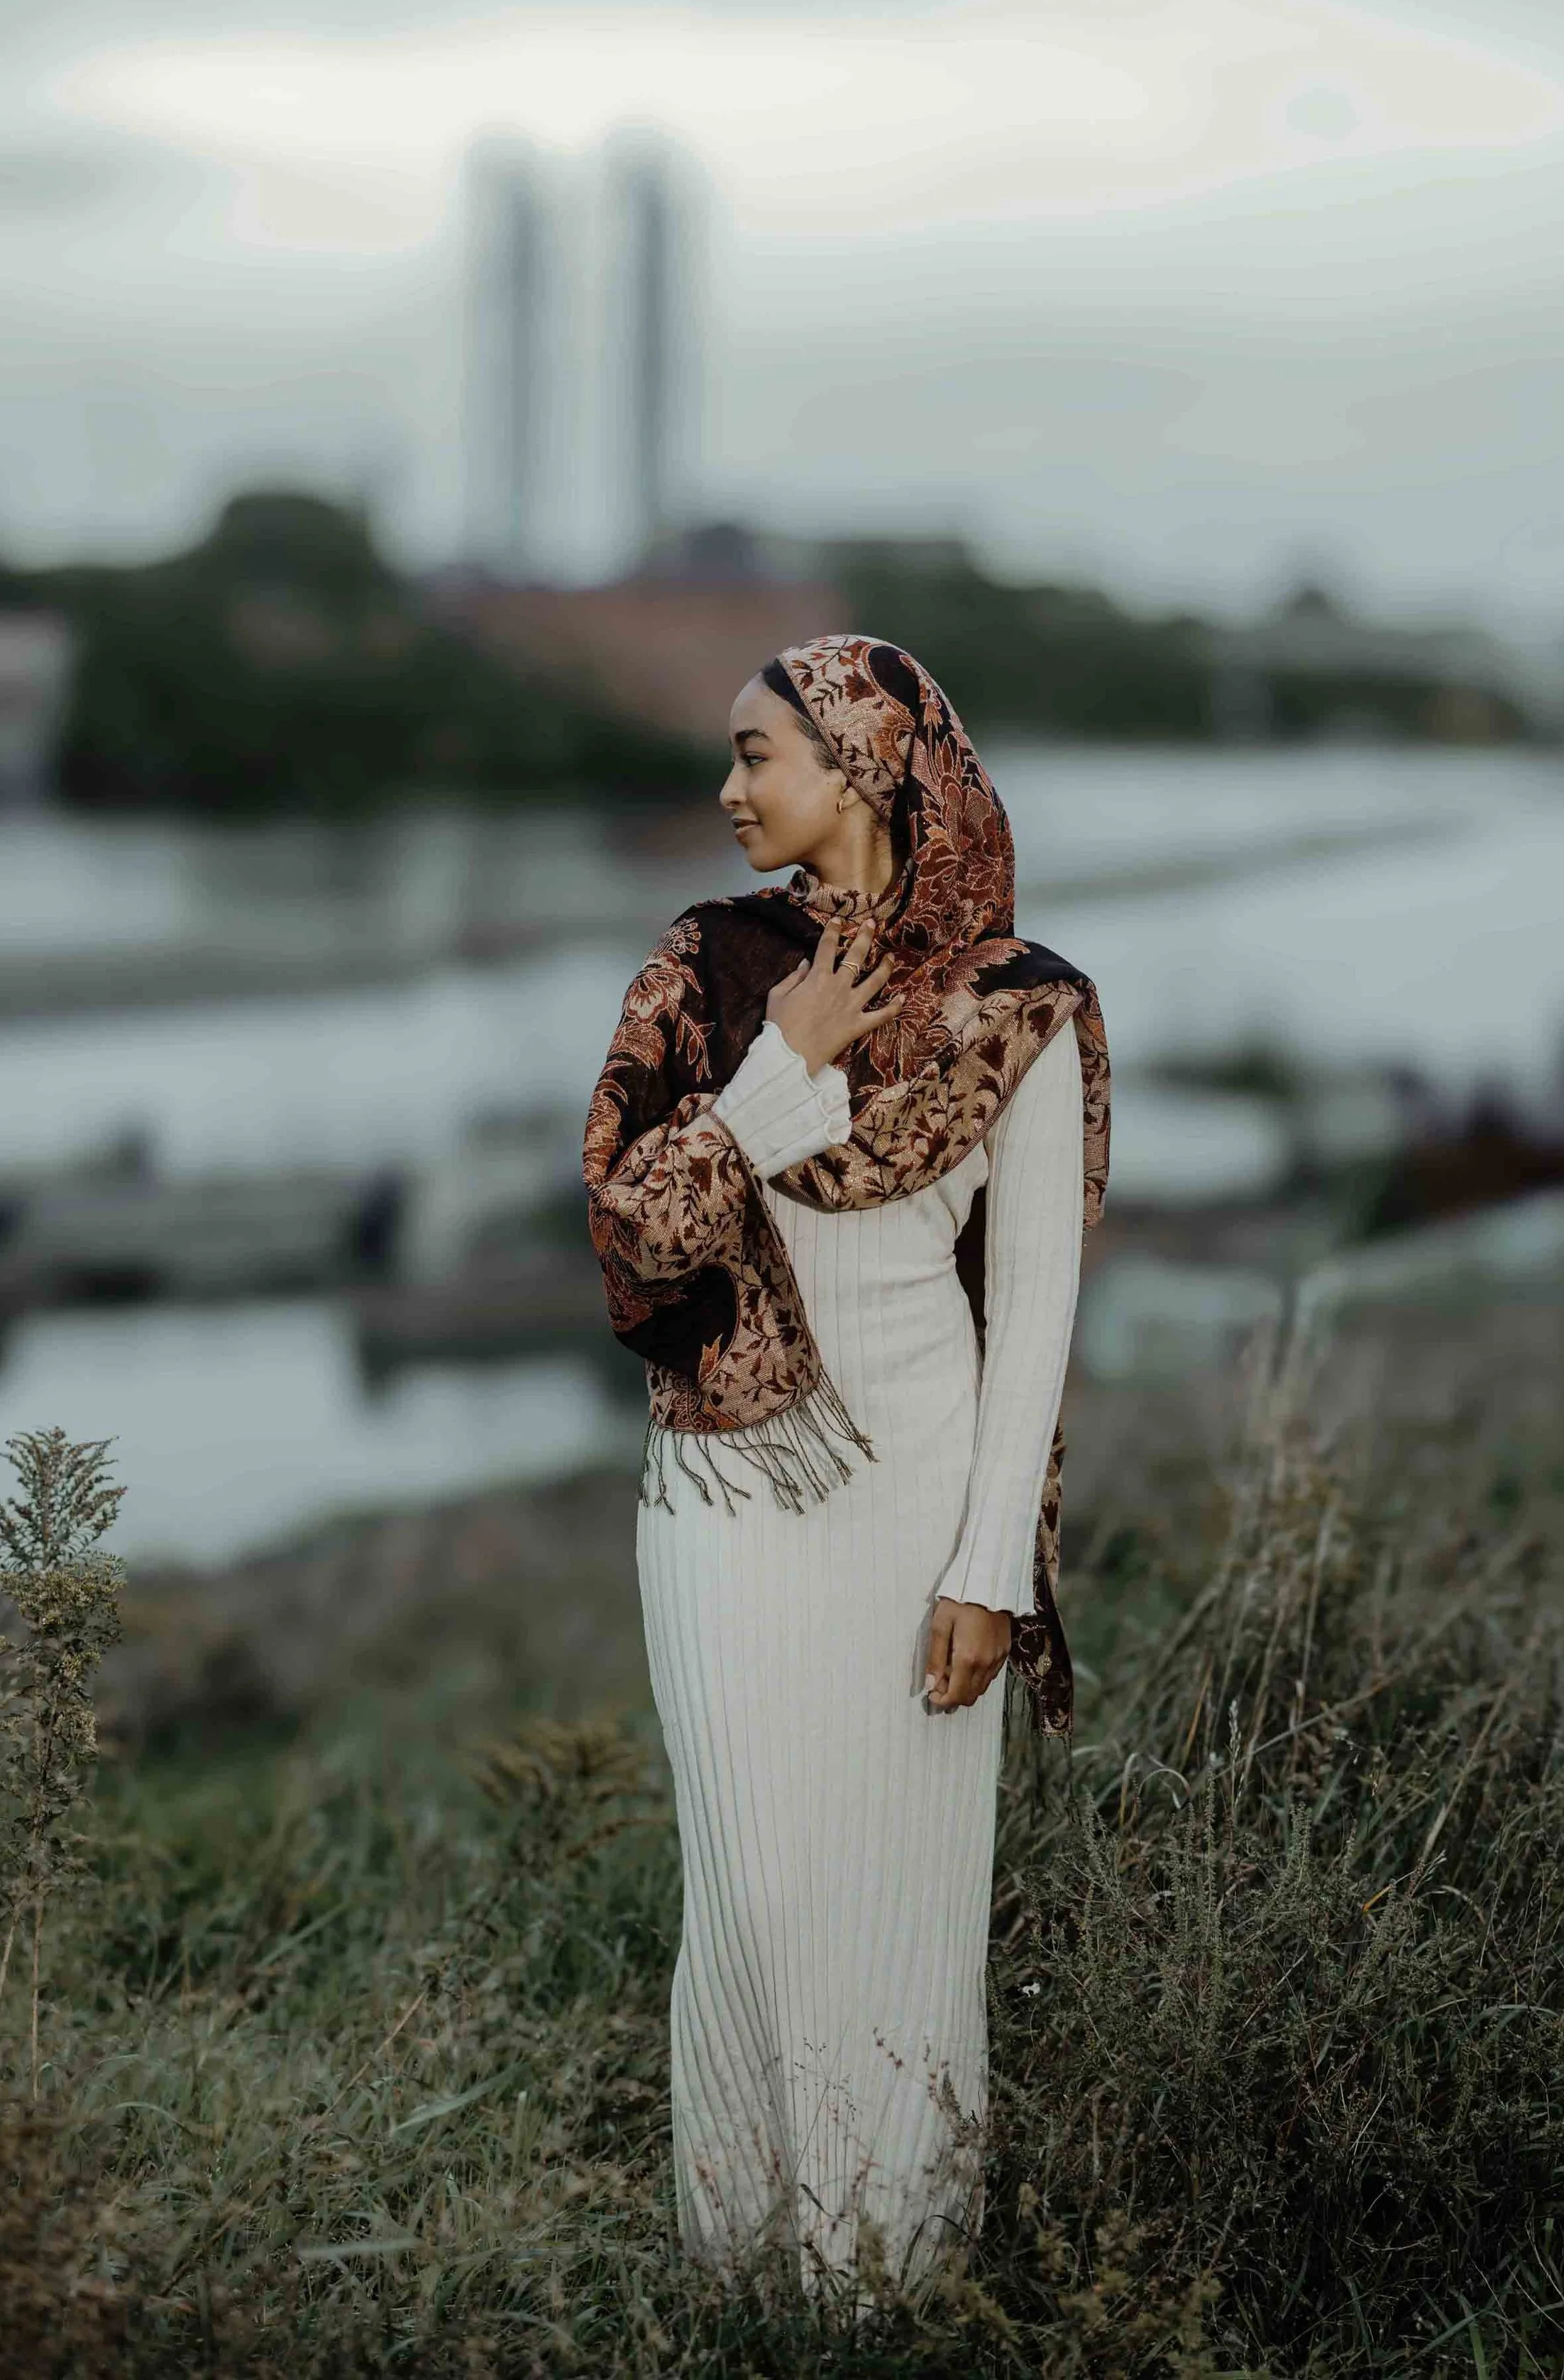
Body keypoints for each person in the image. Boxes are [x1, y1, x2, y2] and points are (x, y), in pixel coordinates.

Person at [584, 634, 1109, 2302]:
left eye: (759, 754)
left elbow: (1031, 1313)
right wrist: (775, 1068)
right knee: (751, 1887)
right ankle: (741, 2280)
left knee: (894, 1905)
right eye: (732, 757)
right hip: (723, 1500)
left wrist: (988, 1572)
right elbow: (630, 1223)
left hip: (915, 1505)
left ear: (865, 761)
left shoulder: (1023, 1003)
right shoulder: (701, 970)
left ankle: (880, 2285)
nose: (730, 789)